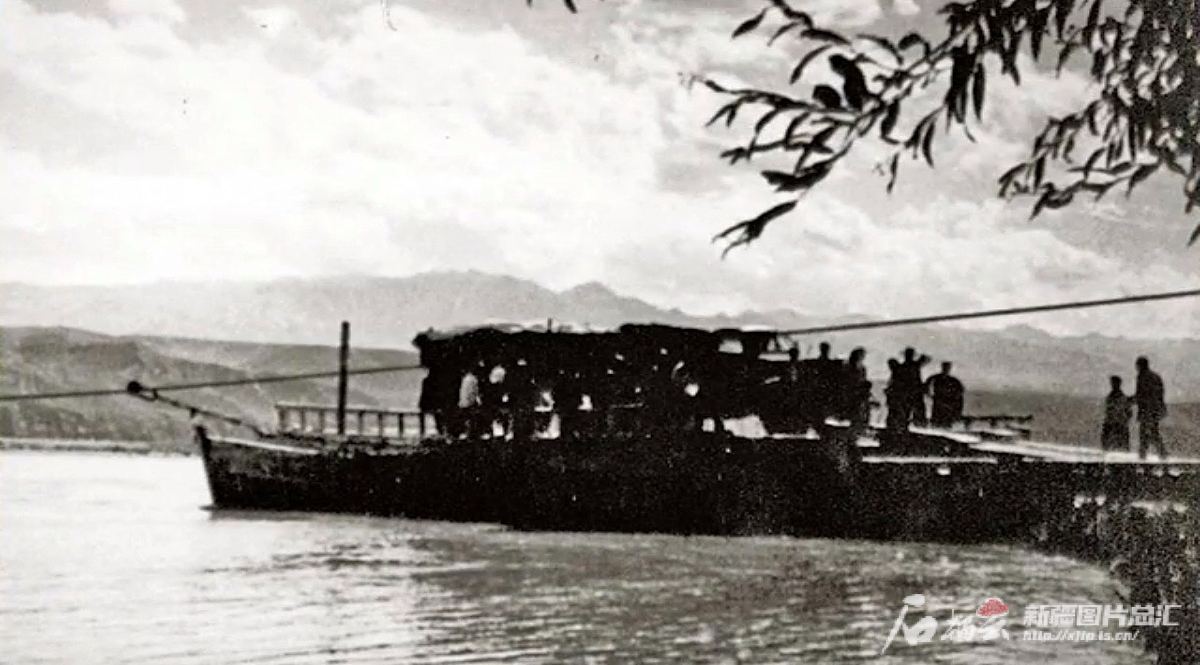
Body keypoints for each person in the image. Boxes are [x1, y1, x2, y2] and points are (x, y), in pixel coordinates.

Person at [1133, 356, 1167, 460]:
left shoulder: (1142, 377)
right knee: (1152, 432)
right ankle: (1160, 454)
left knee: (1145, 432)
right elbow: (1160, 393)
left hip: (1147, 410)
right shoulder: (1155, 376)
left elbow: (1141, 394)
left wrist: (1130, 401)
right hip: (1155, 409)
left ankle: (1144, 455)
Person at [893, 348, 931, 427]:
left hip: (906, 392)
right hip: (914, 392)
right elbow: (927, 359)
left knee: (906, 409)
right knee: (917, 408)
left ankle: (907, 423)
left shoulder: (902, 366)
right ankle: (918, 423)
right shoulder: (915, 365)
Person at [925, 362, 965, 429]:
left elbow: (961, 390)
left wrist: (954, 397)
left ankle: (945, 426)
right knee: (937, 415)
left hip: (947, 400)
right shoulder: (935, 378)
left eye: (947, 368)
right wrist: (929, 394)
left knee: (946, 416)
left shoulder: (953, 380)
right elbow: (926, 385)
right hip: (938, 399)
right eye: (945, 367)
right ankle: (936, 426)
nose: (946, 369)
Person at [1101, 375, 1132, 453]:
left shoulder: (1117, 397)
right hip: (1117, 422)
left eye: (1113, 383)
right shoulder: (1119, 397)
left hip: (1116, 422)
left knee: (1112, 443)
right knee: (1119, 444)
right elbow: (1129, 412)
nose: (1112, 385)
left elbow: (1128, 412)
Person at [844, 347, 871, 433]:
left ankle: (862, 426)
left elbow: (863, 379)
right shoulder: (848, 367)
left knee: (865, 403)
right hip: (850, 391)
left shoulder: (862, 368)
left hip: (859, 391)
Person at [456, 362, 483, 438]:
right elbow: (473, 391)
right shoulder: (472, 379)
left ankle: (467, 433)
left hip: (465, 402)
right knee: (469, 418)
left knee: (467, 418)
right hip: (468, 402)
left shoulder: (467, 378)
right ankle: (469, 432)